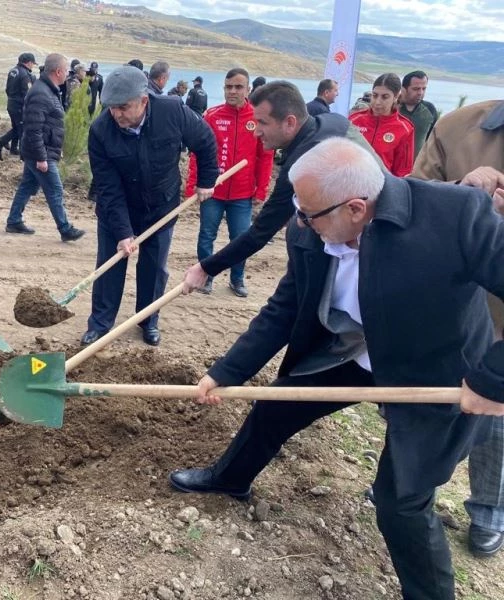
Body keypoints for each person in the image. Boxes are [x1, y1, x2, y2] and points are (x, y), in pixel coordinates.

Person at [170, 136, 504, 600]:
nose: (300, 222)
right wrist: (227, 371)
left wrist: (493, 379)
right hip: (356, 352)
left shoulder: (456, 215)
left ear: (355, 208)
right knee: (274, 407)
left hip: (436, 370)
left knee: (400, 502)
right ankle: (230, 478)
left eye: (309, 214)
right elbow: (285, 308)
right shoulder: (311, 226)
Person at [182, 80, 377, 296]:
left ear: (290, 123)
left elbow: (261, 231)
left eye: (262, 123)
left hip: (364, 245)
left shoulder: (304, 164)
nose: (256, 132)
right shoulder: (333, 122)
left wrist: (206, 267)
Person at [413, 98, 504, 558]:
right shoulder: (458, 126)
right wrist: (462, 193)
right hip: (449, 303)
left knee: (497, 415)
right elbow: (412, 197)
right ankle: (409, 485)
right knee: (429, 398)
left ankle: (488, 509)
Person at [80, 66, 218, 347]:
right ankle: (100, 324)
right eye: (111, 108)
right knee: (110, 265)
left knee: (154, 268)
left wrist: (205, 181)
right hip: (117, 209)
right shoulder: (101, 131)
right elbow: (108, 187)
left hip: (161, 206)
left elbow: (205, 141)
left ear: (144, 100)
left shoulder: (172, 112)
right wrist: (122, 232)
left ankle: (147, 320)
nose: (116, 114)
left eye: (123, 107)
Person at [186, 68, 274, 298]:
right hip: (212, 192)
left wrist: (261, 189)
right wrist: (192, 185)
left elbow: (265, 157)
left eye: (238, 87)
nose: (232, 91)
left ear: (248, 89)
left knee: (241, 238)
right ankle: (206, 277)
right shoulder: (212, 116)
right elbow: (197, 154)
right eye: (228, 87)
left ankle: (237, 279)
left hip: (243, 194)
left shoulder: (257, 118)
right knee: (207, 235)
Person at [4, 53, 84, 242]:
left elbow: (48, 125)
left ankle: (14, 220)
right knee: (55, 189)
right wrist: (41, 157)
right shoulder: (41, 93)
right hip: (40, 152)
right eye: (66, 71)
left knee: (28, 185)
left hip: (42, 150)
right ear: (58, 71)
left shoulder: (49, 90)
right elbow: (33, 128)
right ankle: (65, 228)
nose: (67, 74)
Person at [349, 73, 414, 177]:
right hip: (350, 185)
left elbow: (403, 172)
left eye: (385, 97)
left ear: (396, 96)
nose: (377, 102)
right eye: (374, 95)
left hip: (382, 188)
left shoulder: (404, 129)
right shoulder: (354, 120)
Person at [0, 52, 36, 159]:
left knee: (16, 128)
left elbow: (7, 89)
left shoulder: (13, 71)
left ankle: (11, 148)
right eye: (32, 63)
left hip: (11, 103)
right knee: (21, 130)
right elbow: (27, 94)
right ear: (29, 63)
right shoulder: (25, 75)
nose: (33, 66)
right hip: (19, 106)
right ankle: (2, 146)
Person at [398, 70, 438, 157]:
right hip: (390, 167)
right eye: (416, 89)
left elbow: (432, 140)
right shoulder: (392, 108)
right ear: (403, 89)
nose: (420, 93)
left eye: (424, 88)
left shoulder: (430, 109)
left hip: (417, 168)